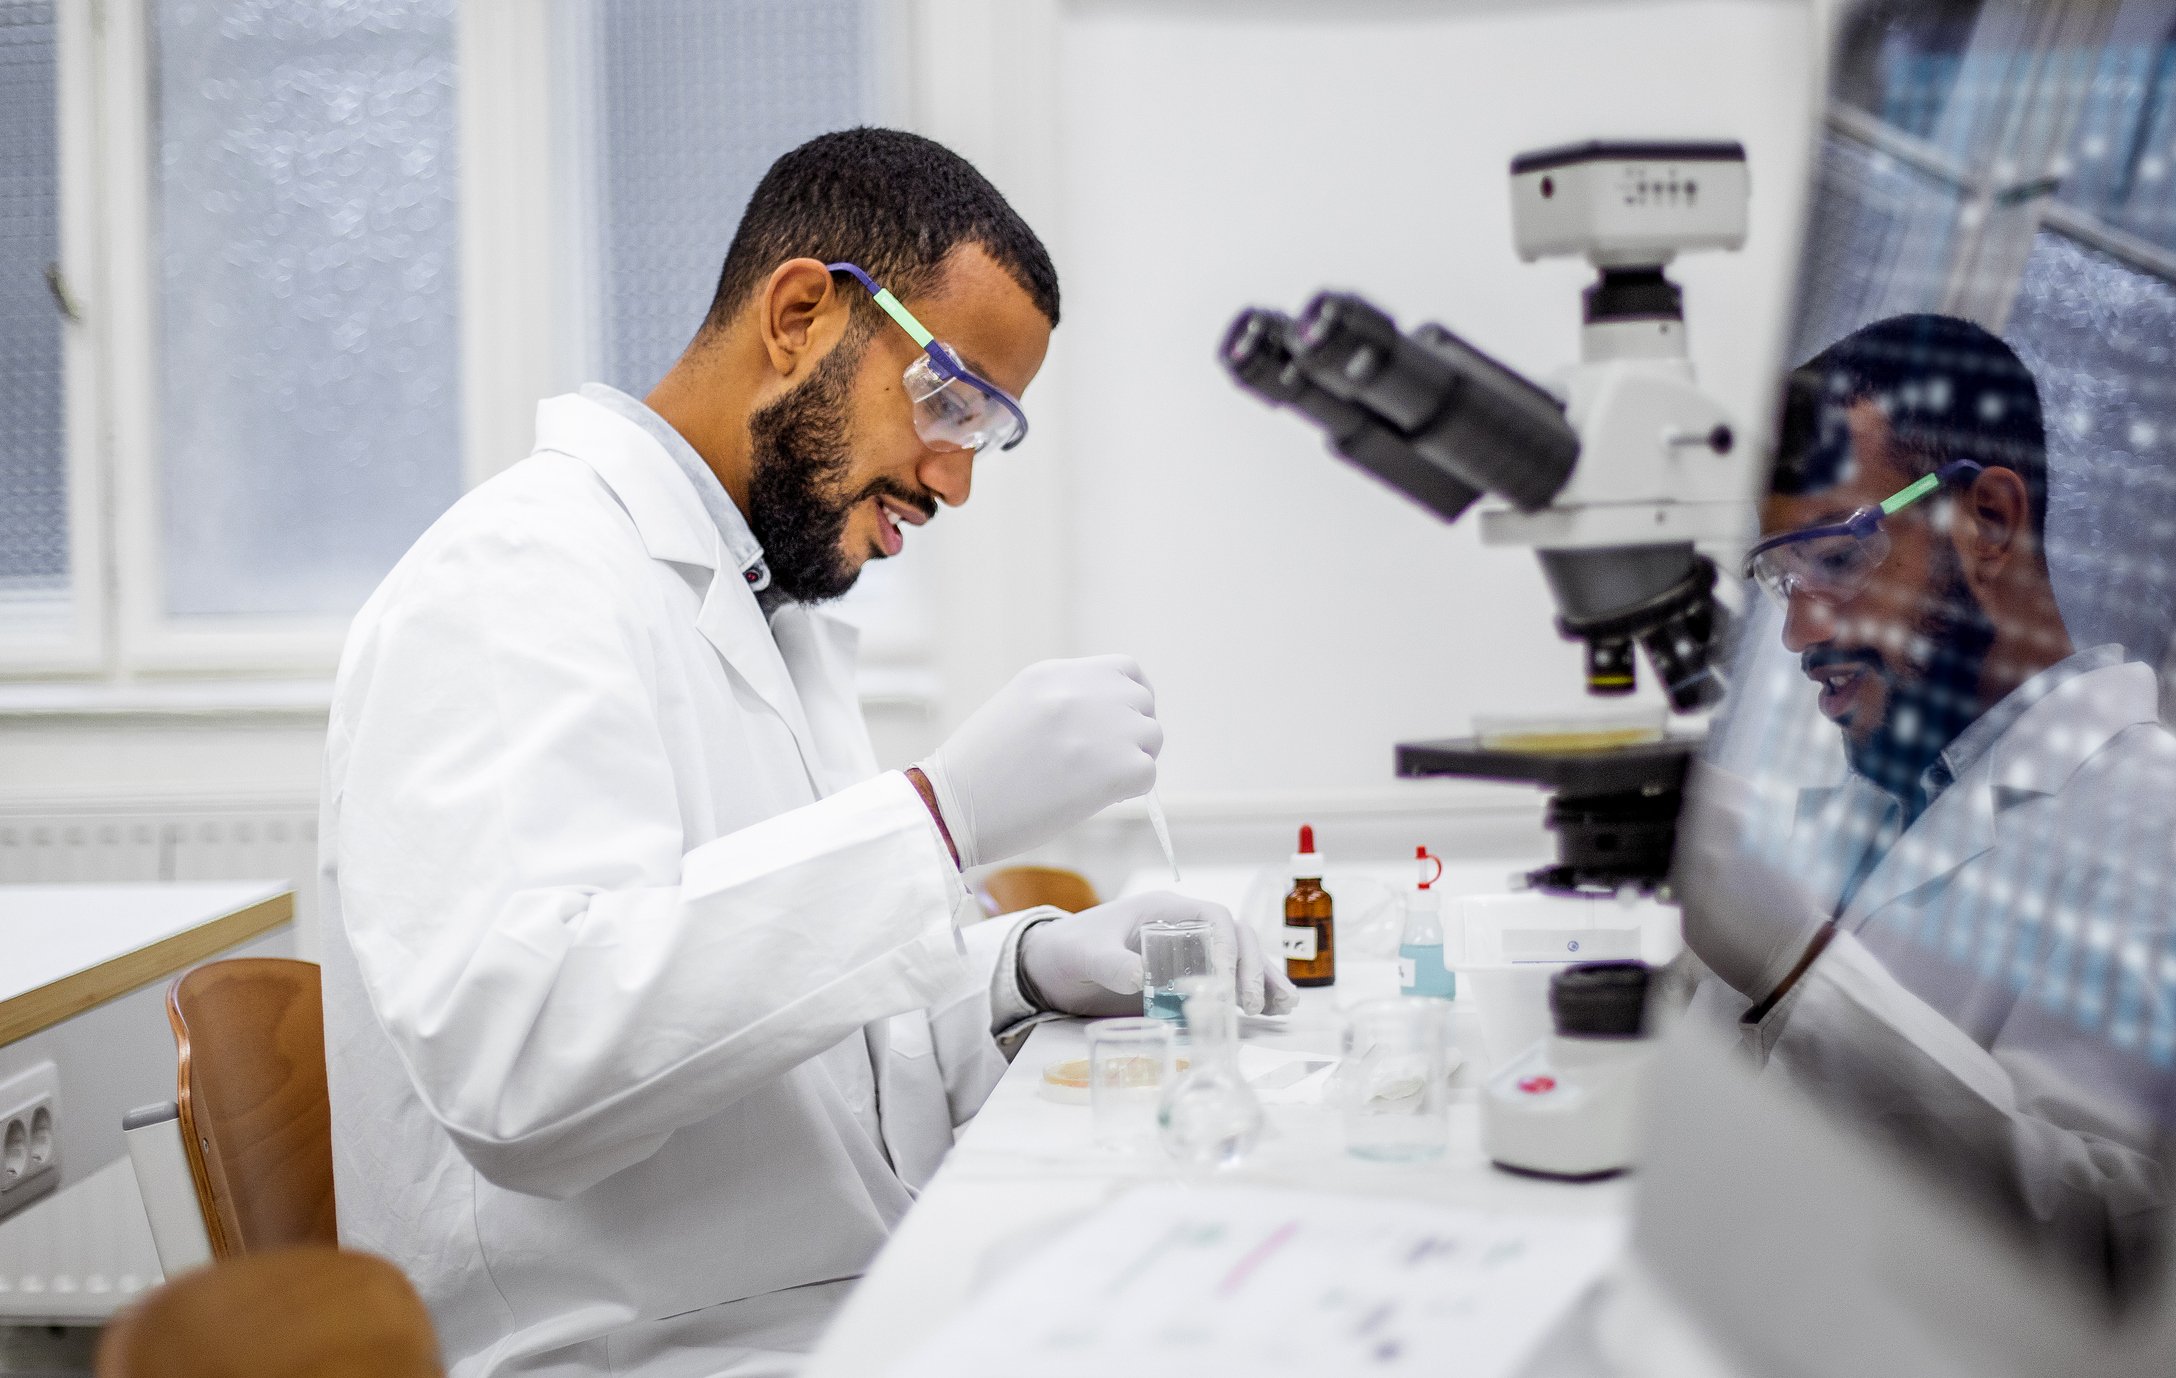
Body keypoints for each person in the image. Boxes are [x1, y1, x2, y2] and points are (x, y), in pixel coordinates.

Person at [318, 128, 1293, 1378]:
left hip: (825, 1301)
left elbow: (815, 1032)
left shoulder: (765, 606)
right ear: (798, 315)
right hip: (642, 1346)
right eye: (949, 401)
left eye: (987, 431)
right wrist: (940, 817)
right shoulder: (511, 578)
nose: (954, 480)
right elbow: (524, 1067)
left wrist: (1027, 968)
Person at [1677, 313, 2176, 1294]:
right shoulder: (1874, 797)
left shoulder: (2151, 820)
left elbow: (2111, 1246)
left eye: (1835, 558)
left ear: (1987, 521)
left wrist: (1792, 967)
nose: (1799, 632)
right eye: (1781, 578)